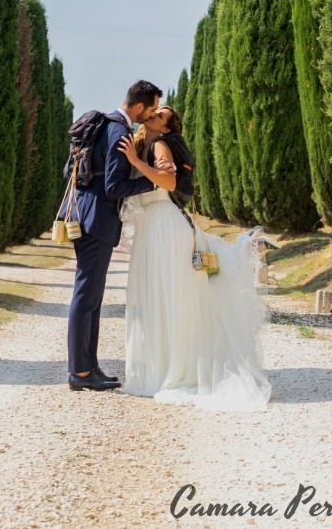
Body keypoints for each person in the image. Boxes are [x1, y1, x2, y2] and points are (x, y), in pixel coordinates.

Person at [117, 105, 271, 411]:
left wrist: (135, 161)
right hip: (151, 224)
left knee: (170, 294)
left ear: (166, 127)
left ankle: (175, 371)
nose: (155, 115)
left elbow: (169, 183)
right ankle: (156, 368)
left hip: (164, 223)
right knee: (153, 295)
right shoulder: (141, 141)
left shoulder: (159, 144)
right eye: (155, 111)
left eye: (162, 115)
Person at [66, 79, 168, 391]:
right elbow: (114, 187)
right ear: (139, 106)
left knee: (92, 295)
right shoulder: (119, 131)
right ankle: (79, 372)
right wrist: (154, 183)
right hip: (97, 220)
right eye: (150, 109)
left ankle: (89, 366)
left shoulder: (105, 124)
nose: (151, 115)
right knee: (86, 294)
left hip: (86, 215)